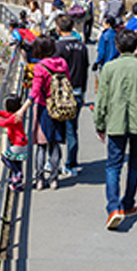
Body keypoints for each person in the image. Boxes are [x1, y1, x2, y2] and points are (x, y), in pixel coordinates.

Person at [94, 29, 137, 230]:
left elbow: (101, 99)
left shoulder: (109, 68)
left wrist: (99, 124)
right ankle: (128, 202)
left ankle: (113, 207)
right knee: (135, 164)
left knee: (113, 166)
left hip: (115, 122)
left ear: (117, 47)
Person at [14, 36, 67, 191]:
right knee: (55, 145)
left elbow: (35, 92)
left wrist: (22, 110)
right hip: (59, 107)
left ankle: (39, 180)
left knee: (41, 146)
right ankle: (54, 179)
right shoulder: (62, 63)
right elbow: (67, 83)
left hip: (43, 107)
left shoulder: (40, 67)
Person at [55, 15, 89, 178]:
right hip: (77, 92)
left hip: (61, 93)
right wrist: (83, 92)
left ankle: (53, 162)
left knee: (55, 129)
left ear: (58, 29)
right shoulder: (82, 47)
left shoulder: (58, 47)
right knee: (72, 130)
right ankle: (72, 164)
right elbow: (85, 70)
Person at [0, 96, 29, 192]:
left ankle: (17, 173)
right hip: (22, 143)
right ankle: (18, 184)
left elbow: (4, 123)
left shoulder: (14, 118)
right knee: (17, 162)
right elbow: (7, 115)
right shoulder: (17, 115)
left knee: (5, 158)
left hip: (17, 144)